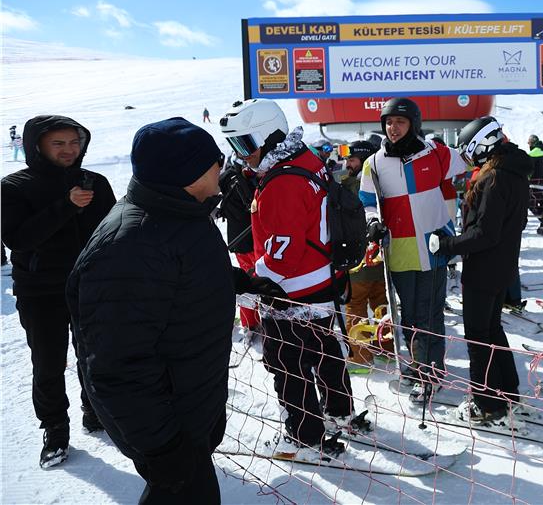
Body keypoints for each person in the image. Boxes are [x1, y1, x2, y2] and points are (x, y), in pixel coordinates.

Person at [67, 117, 233, 503]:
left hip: (187, 408)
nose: (221, 167)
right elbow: (117, 365)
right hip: (167, 427)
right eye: (215, 160)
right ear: (188, 171)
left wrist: (238, 281)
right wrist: (163, 449)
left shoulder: (178, 213)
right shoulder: (132, 244)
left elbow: (179, 278)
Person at [220, 99, 358, 453]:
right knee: (324, 350)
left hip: (292, 289)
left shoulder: (282, 181)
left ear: (268, 136)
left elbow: (283, 254)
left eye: (245, 144)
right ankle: (339, 411)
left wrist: (253, 279)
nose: (241, 155)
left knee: (286, 362)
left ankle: (303, 436)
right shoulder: (305, 158)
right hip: (321, 277)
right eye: (234, 145)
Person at [1, 116, 116, 468]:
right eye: (58, 143)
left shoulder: (95, 182)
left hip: (90, 287)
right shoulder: (14, 186)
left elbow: (113, 232)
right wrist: (66, 205)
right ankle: (54, 428)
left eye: (74, 142)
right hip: (40, 291)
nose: (69, 149)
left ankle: (94, 410)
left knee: (94, 355)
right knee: (48, 362)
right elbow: (18, 238)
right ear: (37, 146)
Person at [359, 97, 468, 401]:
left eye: (400, 122)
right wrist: (373, 223)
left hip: (435, 245)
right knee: (409, 315)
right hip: (401, 249)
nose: (393, 128)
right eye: (388, 122)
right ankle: (421, 366)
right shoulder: (374, 163)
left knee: (430, 312)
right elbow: (367, 202)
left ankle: (432, 371)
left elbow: (473, 158)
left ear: (414, 124)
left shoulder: (436, 153)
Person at [430, 116, 531, 426]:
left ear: (482, 144)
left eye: (469, 150)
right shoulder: (513, 171)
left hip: (485, 268)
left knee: (477, 336)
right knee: (491, 330)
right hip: (502, 265)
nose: (468, 157)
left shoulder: (494, 178)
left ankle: (487, 404)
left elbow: (484, 234)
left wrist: (445, 244)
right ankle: (508, 392)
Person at [339, 140, 389, 358]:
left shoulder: (351, 187)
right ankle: (387, 350)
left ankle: (360, 357)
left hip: (360, 256)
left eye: (351, 160)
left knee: (356, 304)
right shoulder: (383, 181)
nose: (347, 164)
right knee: (381, 302)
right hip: (382, 255)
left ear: (364, 159)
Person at [217, 152, 261, 335]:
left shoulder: (225, 179)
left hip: (238, 240)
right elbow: (255, 206)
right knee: (257, 281)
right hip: (251, 239)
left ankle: (250, 322)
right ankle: (255, 322)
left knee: (247, 281)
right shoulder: (241, 181)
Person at [525, 134, 543, 234]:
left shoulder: (533, 154)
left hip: (534, 183)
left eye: (530, 143)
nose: (529, 145)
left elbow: (529, 170)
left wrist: (526, 180)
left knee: (530, 202)